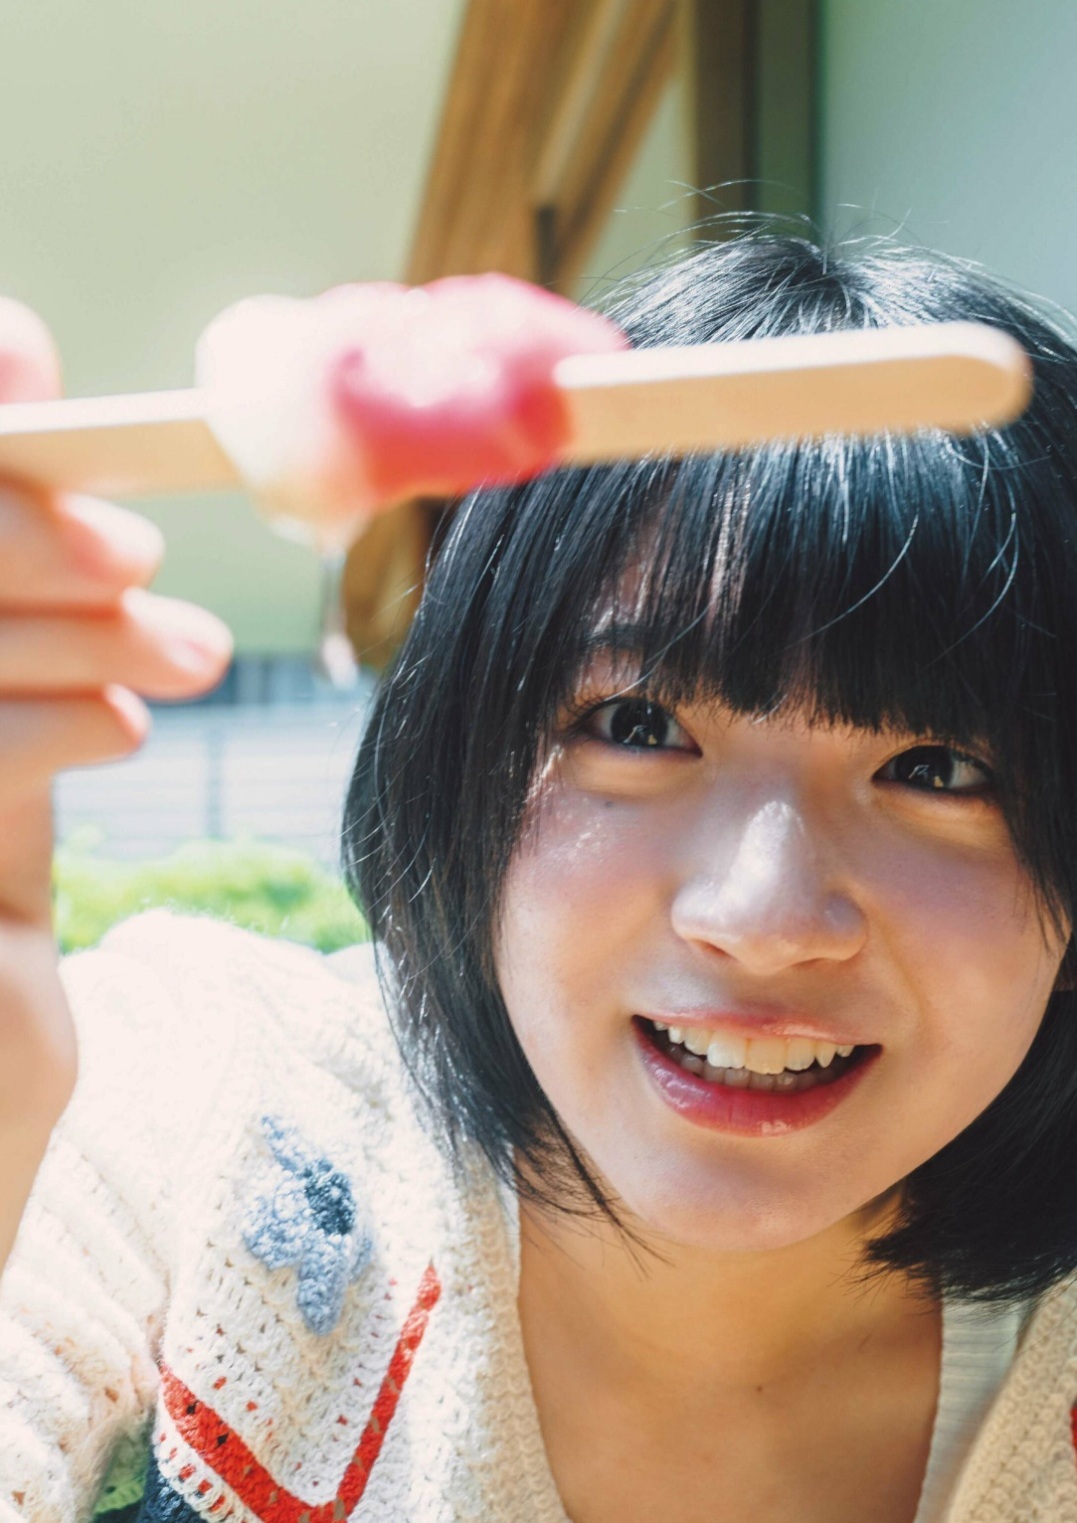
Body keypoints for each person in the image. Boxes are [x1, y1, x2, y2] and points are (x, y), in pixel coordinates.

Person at [2, 234, 1077, 1523]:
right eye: (636, 726)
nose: (762, 919)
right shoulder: (201, 1103)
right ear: (462, 755)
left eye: (940, 768)